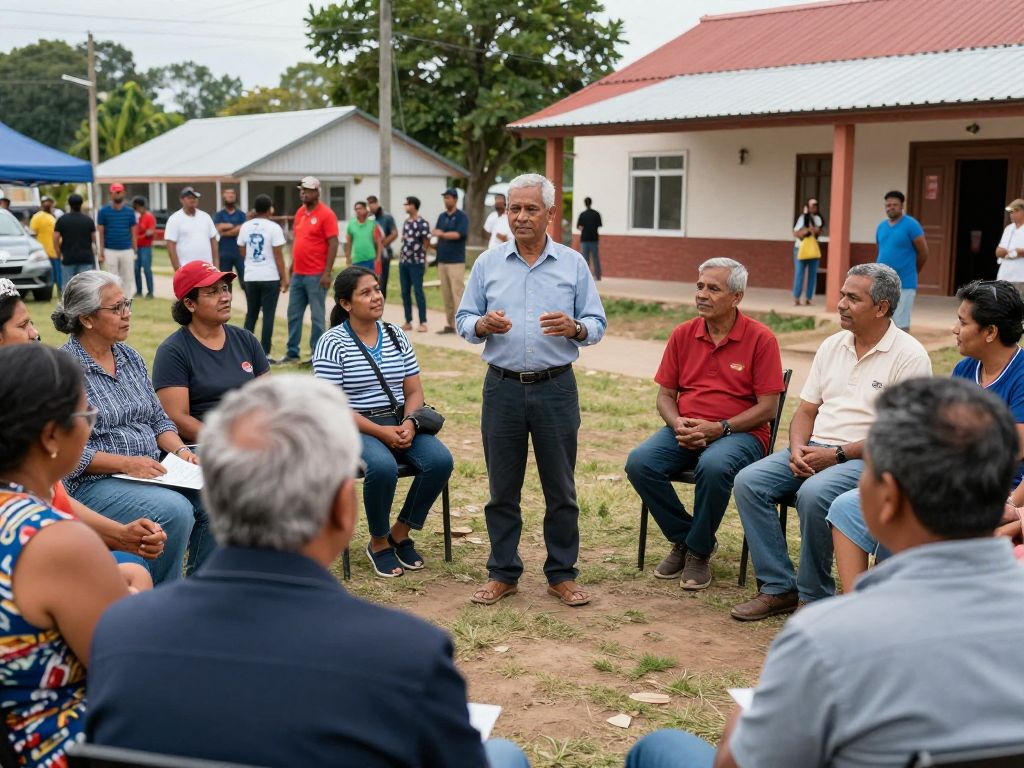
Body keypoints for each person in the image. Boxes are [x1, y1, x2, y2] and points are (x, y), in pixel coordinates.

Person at [85, 375, 530, 768]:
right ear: (342, 508)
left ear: (214, 500)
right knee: (505, 755)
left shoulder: (120, 630)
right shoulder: (408, 655)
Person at [626, 377, 1024, 768]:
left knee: (659, 747)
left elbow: (738, 762)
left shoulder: (828, 639)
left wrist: (748, 712)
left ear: (887, 499)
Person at [730, 263, 931, 621]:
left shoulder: (909, 355)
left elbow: (900, 434)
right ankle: (779, 587)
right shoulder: (832, 345)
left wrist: (836, 455)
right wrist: (795, 447)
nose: (840, 303)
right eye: (841, 294)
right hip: (817, 448)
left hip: (870, 457)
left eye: (852, 298)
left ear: (882, 307)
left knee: (813, 494)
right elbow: (806, 410)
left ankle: (815, 597)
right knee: (749, 481)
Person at [456, 173, 607, 607]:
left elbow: (596, 324)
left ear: (550, 214)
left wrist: (575, 327)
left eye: (530, 209)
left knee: (560, 488)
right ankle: (503, 572)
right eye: (513, 208)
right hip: (501, 388)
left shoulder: (573, 264)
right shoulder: (488, 264)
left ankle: (562, 573)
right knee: (502, 488)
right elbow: (465, 319)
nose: (519, 216)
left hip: (555, 387)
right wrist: (482, 324)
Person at [829, 278, 1024, 588]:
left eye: (963, 322)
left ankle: (898, 599)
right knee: (846, 507)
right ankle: (859, 602)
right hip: (952, 481)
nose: (954, 329)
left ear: (990, 332)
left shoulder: (1021, 373)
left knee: (914, 515)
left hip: (996, 491)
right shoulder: (964, 370)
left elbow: (1012, 447)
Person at [0, 344, 131, 768]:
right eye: (86, 416)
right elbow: (128, 676)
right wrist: (138, 593)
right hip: (51, 747)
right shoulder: (56, 540)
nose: (90, 428)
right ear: (51, 435)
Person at [625, 259, 784, 590]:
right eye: (700, 286)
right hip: (687, 427)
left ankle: (696, 551)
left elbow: (768, 408)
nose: (702, 294)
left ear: (737, 296)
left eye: (714, 288)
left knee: (713, 466)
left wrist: (721, 428)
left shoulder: (761, 338)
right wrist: (677, 422)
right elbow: (665, 396)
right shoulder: (683, 334)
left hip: (741, 433)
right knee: (640, 463)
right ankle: (688, 538)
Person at [0, 280, 165, 590]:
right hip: (33, 560)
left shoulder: (129, 358)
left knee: (137, 570)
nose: (35, 333)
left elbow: (53, 495)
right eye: (23, 325)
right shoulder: (58, 376)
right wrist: (125, 464)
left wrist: (122, 535)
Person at [52, 271, 211, 584]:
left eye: (127, 304)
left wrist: (180, 451)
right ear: (86, 319)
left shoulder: (129, 356)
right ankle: (160, 601)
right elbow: (69, 454)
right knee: (174, 511)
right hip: (95, 482)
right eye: (116, 308)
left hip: (154, 469)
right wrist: (126, 463)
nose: (127, 315)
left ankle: (202, 591)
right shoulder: (64, 369)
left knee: (217, 497)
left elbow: (157, 418)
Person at [313, 266, 453, 578]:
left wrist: (410, 424)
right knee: (383, 467)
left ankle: (399, 533)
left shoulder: (395, 334)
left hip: (400, 419)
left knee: (440, 461)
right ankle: (377, 543)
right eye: (366, 292)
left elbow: (414, 389)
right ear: (346, 304)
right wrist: (381, 432)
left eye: (377, 289)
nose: (376, 296)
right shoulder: (332, 342)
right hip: (354, 426)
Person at [154, 261, 269, 443]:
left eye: (224, 288)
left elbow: (269, 398)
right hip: (208, 447)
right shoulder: (173, 352)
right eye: (212, 292)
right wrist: (227, 439)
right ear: (190, 304)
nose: (224, 297)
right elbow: (177, 418)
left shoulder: (246, 340)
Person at [284, 176, 339, 364]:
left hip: (317, 274)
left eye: (307, 190)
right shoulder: (300, 213)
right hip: (298, 273)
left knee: (317, 316)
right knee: (293, 314)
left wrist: (327, 272)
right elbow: (298, 242)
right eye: (301, 190)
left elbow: (333, 243)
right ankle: (292, 353)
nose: (303, 193)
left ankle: (317, 354)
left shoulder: (327, 214)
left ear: (317, 192)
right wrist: (291, 268)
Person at [237, 193, 288, 358]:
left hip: (251, 276)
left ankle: (244, 350)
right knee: (268, 315)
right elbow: (278, 254)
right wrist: (285, 277)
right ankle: (265, 353)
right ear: (270, 209)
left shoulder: (246, 226)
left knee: (251, 313)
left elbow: (242, 250)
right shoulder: (274, 227)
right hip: (270, 276)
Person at [876, 190, 928, 331]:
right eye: (888, 205)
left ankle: (903, 353)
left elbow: (923, 252)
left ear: (901, 206)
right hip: (883, 283)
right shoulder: (881, 226)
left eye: (894, 204)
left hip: (904, 282)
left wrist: (913, 271)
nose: (891, 207)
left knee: (900, 325)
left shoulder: (911, 225)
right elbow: (882, 251)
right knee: (882, 321)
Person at [433, 187, 469, 334]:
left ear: (455, 199)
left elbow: (458, 234)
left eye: (449, 197)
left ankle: (462, 325)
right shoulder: (442, 216)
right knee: (446, 294)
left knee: (457, 294)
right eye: (445, 197)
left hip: (456, 261)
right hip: (442, 260)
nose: (446, 200)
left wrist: (441, 234)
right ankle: (450, 324)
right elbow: (436, 233)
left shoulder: (461, 216)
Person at [96, 183, 136, 292]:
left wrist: (134, 250)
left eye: (120, 192)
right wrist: (101, 252)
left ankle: (126, 305)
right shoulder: (103, 212)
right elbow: (101, 232)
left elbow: (133, 231)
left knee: (127, 279)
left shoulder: (130, 212)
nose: (118, 194)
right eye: (115, 192)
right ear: (111, 194)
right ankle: (113, 305)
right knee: (111, 280)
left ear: (123, 193)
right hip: (110, 250)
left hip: (127, 249)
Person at [165, 186, 217, 270]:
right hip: (186, 268)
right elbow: (170, 244)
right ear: (181, 200)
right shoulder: (174, 219)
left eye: (195, 198)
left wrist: (216, 265)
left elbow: (213, 240)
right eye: (189, 198)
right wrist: (177, 269)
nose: (193, 200)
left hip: (207, 267)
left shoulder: (205, 217)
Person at [400, 195, 430, 332]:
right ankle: (408, 321)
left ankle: (423, 322)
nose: (405, 206)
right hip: (404, 261)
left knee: (418, 291)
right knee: (405, 291)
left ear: (413, 205)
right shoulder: (406, 222)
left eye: (407, 204)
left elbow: (426, 242)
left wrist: (423, 259)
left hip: (416, 262)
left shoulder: (422, 223)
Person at [54, 193, 96, 280]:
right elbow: (94, 239)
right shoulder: (88, 220)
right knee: (85, 285)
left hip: (68, 258)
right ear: (81, 204)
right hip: (86, 258)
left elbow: (55, 238)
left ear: (69, 204)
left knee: (67, 285)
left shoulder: (62, 220)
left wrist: (58, 254)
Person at [792, 197, 823, 306]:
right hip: (800, 248)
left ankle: (809, 298)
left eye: (815, 205)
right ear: (807, 207)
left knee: (812, 275)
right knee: (799, 273)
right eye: (811, 205)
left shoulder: (818, 218)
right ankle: (796, 297)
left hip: (813, 249)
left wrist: (811, 229)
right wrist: (806, 230)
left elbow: (818, 231)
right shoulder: (801, 218)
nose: (814, 207)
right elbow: (796, 233)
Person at [214, 188, 246, 287]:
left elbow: (242, 229)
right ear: (224, 196)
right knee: (225, 283)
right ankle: (226, 302)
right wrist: (235, 227)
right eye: (227, 193)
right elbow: (218, 228)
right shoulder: (219, 215)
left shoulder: (241, 214)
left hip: (239, 252)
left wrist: (226, 230)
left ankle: (250, 303)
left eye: (232, 194)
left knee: (244, 282)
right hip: (224, 252)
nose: (230, 196)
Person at [367, 194, 398, 299]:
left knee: (382, 282)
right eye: (369, 204)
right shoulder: (370, 219)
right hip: (371, 254)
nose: (371, 206)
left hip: (384, 254)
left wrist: (382, 245)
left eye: (372, 203)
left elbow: (394, 233)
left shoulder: (387, 217)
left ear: (377, 203)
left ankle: (381, 306)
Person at [29, 195, 59, 291]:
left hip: (46, 250)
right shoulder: (48, 217)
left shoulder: (39, 217)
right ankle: (55, 289)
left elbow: (33, 233)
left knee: (49, 273)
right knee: (55, 273)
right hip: (49, 250)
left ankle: (50, 290)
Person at [345, 200, 383, 273]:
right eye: (356, 209)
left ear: (366, 210)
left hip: (370, 259)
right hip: (356, 260)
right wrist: (348, 257)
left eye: (360, 208)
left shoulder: (373, 224)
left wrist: (378, 258)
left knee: (370, 282)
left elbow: (378, 242)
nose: (358, 211)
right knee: (358, 282)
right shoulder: (351, 225)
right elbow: (348, 243)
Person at [996, 198, 1024, 296]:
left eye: (1014, 211)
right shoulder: (1009, 228)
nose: (1011, 214)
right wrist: (1004, 252)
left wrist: (1017, 252)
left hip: (1021, 277)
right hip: (1005, 275)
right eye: (1010, 212)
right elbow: (999, 250)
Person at [131, 195, 156, 299]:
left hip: (145, 247)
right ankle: (139, 291)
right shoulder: (135, 217)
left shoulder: (149, 217)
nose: (135, 209)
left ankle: (150, 292)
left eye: (136, 207)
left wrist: (139, 236)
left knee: (146, 269)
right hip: (136, 247)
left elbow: (150, 232)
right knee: (136, 270)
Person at [575, 196, 602, 280]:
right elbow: (599, 225)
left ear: (585, 204)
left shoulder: (582, 215)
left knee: (585, 259)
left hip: (584, 239)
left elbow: (578, 227)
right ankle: (598, 276)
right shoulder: (596, 214)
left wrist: (584, 228)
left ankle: (586, 277)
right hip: (594, 239)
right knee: (595, 258)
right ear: (591, 203)